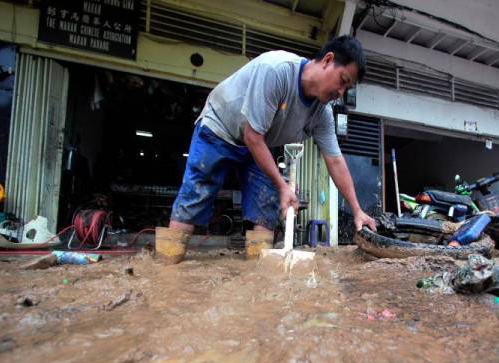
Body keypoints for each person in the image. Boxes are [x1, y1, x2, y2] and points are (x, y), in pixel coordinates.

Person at [160, 35, 377, 262]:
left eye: (347, 87)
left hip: (259, 144)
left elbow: (335, 160)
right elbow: (252, 135)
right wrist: (282, 186)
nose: (341, 92)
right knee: (196, 194)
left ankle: (259, 276)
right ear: (327, 60)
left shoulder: (322, 113)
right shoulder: (277, 70)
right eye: (343, 81)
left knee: (265, 208)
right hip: (220, 129)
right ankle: (168, 267)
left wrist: (357, 209)